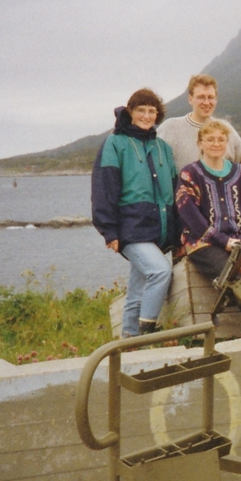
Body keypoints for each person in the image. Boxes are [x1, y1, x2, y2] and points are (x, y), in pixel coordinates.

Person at [91, 88, 179, 337]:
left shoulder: (163, 147)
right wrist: (109, 231)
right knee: (161, 272)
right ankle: (147, 331)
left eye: (152, 111)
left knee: (138, 289)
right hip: (131, 231)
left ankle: (129, 339)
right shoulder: (115, 143)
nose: (147, 116)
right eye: (141, 110)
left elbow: (174, 191)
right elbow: (103, 188)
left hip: (160, 230)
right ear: (130, 112)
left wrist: (178, 232)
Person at [175, 119, 241, 281]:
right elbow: (190, 216)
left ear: (227, 143)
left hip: (239, 240)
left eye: (221, 140)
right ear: (200, 143)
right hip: (204, 243)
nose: (216, 144)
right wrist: (224, 241)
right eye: (210, 139)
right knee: (232, 273)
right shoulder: (189, 174)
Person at [158, 73, 241, 171]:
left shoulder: (227, 130)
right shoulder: (170, 128)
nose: (206, 102)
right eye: (201, 97)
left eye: (210, 97)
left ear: (216, 99)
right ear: (190, 99)